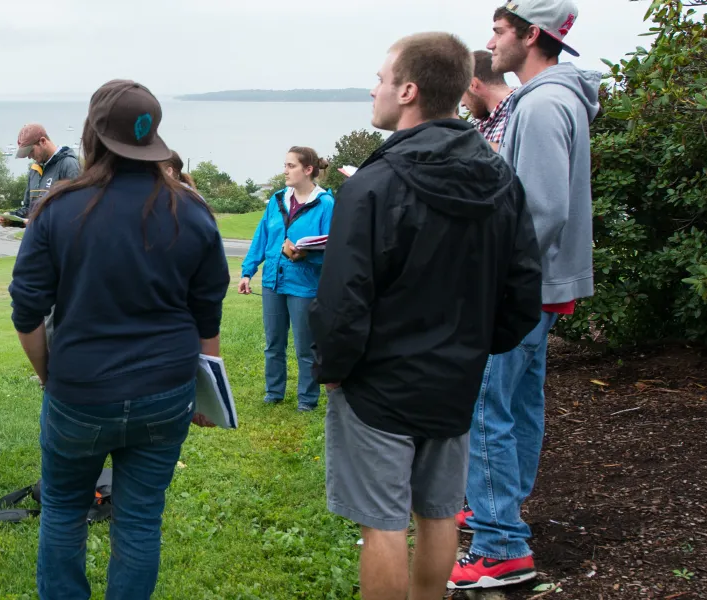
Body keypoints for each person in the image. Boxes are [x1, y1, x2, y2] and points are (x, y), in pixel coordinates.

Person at [309, 32, 543, 600]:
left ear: (408, 90)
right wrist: (475, 346)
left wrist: (332, 367)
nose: (373, 89)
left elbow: (344, 298)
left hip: (377, 387)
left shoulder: (372, 184)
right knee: (438, 513)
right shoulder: (499, 177)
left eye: (381, 79)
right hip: (454, 380)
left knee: (384, 523)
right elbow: (523, 290)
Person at [10, 79, 229, 600]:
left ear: (91, 134)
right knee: (139, 519)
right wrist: (209, 389)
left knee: (63, 510)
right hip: (166, 391)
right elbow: (207, 314)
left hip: (80, 390)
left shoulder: (59, 208)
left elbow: (26, 312)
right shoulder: (192, 210)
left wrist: (49, 375)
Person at [455, 0, 600, 589]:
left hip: (518, 289)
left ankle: (498, 546)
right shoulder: (552, 99)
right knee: (517, 405)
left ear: (531, 35)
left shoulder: (541, 105)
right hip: (536, 288)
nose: (490, 41)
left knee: (487, 407)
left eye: (498, 30)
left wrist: (494, 280)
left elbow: (540, 211)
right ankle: (499, 510)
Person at [237, 147, 335, 411]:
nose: (285, 171)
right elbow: (262, 238)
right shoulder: (276, 199)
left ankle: (307, 400)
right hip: (272, 282)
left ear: (308, 170)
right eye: (285, 165)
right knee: (273, 344)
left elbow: (333, 250)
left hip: (304, 285)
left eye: (290, 166)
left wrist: (306, 256)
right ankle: (274, 393)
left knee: (305, 348)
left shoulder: (325, 204)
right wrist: (248, 271)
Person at [0, 124, 81, 228]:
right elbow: (30, 209)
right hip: (38, 240)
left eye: (31, 151)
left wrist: (41, 222)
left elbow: (77, 209)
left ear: (43, 141)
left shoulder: (69, 164)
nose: (29, 157)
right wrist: (12, 218)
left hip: (59, 241)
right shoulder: (34, 170)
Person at [462, 50, 516, 150]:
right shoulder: (485, 120)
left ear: (473, 85)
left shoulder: (519, 114)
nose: (462, 104)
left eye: (461, 93)